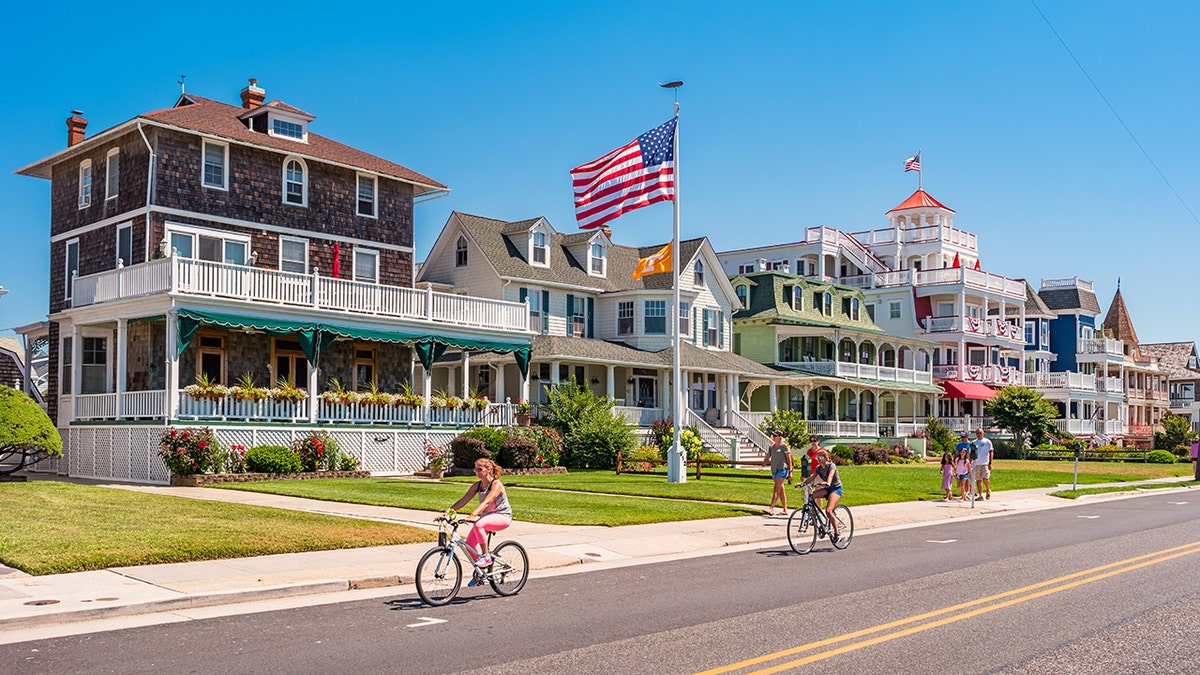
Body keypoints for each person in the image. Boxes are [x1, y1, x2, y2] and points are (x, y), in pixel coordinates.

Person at [448, 458, 512, 585]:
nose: (476, 471)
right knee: (469, 546)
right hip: (488, 518)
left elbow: (487, 501)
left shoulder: (496, 484)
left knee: (479, 524)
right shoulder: (477, 486)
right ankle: (481, 572)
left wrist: (473, 514)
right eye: (475, 468)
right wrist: (448, 512)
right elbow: (464, 500)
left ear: (489, 470)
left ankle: (486, 557)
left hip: (502, 516)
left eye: (480, 469)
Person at [803, 449, 843, 540]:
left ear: (825, 458)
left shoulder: (831, 466)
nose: (818, 459)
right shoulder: (819, 468)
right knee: (811, 496)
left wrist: (827, 482)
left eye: (820, 457)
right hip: (827, 489)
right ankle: (815, 517)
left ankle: (837, 533)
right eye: (817, 458)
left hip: (836, 489)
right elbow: (812, 477)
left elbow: (830, 475)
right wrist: (803, 484)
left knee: (828, 511)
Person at [762, 429, 793, 516]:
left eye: (775, 436)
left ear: (780, 437)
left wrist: (790, 472)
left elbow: (789, 460)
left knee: (776, 489)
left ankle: (771, 508)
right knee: (781, 489)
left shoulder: (784, 447)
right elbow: (767, 457)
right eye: (773, 435)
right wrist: (762, 466)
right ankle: (785, 510)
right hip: (774, 470)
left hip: (782, 469)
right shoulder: (771, 447)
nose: (773, 437)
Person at [972, 428, 994, 500]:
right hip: (976, 463)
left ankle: (988, 489)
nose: (978, 434)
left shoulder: (987, 441)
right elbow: (971, 453)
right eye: (977, 433)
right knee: (978, 480)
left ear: (983, 433)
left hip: (985, 463)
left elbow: (991, 452)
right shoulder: (974, 442)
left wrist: (990, 463)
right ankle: (980, 495)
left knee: (985, 478)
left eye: (980, 433)